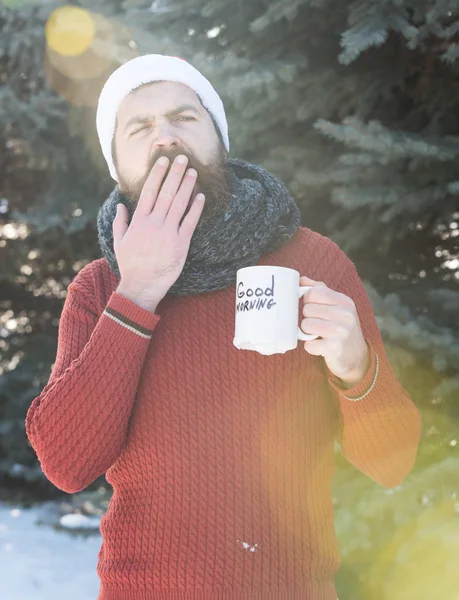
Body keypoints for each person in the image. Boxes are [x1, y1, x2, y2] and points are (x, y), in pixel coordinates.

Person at [25, 54, 421, 600]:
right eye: (139, 127)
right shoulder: (98, 288)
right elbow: (67, 465)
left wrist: (358, 370)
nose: (165, 136)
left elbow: (393, 461)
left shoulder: (312, 261)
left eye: (185, 117)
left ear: (220, 140)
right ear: (117, 164)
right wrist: (137, 292)